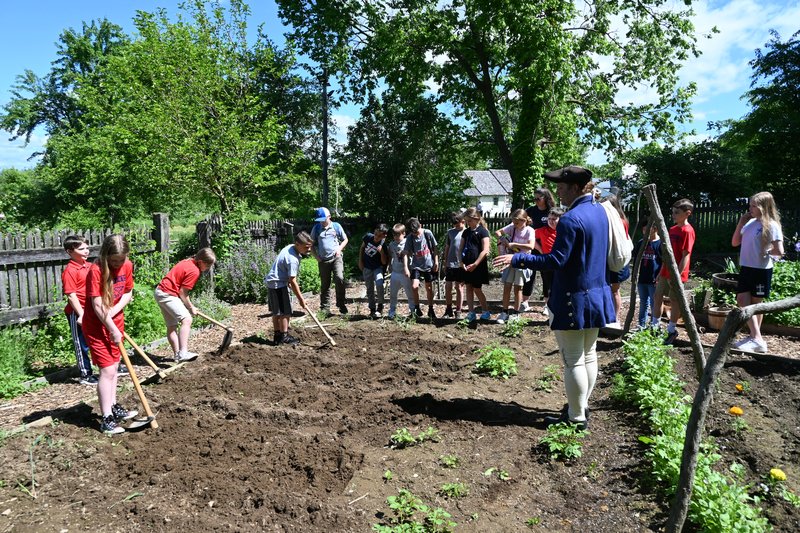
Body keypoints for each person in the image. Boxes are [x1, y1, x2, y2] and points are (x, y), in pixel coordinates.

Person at [494, 166, 614, 430]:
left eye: (560, 187)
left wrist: (518, 257)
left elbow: (556, 260)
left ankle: (576, 417)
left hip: (573, 297)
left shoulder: (571, 219)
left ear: (574, 187)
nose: (556, 192)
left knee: (573, 359)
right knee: (589, 354)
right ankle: (581, 406)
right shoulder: (600, 212)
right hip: (596, 293)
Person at [82, 234, 138, 435]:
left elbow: (128, 293)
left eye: (121, 260)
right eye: (113, 261)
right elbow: (97, 305)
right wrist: (111, 326)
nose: (117, 264)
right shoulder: (95, 271)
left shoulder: (128, 265)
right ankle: (106, 419)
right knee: (106, 370)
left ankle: (113, 406)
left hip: (115, 321)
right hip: (97, 327)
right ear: (105, 256)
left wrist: (113, 314)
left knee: (114, 368)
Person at [731, 192, 784, 353]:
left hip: (761, 270)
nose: (750, 208)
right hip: (746, 267)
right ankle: (756, 338)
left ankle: (756, 338)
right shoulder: (750, 223)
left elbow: (779, 251)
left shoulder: (772, 225)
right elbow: (735, 242)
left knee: (754, 305)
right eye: (750, 205)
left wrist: (768, 252)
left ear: (764, 207)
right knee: (743, 300)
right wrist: (741, 222)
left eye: (754, 205)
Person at [155, 248, 216, 362]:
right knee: (187, 319)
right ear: (201, 262)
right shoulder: (194, 271)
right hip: (168, 294)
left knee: (172, 326)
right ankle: (183, 353)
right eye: (207, 266)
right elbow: (182, 292)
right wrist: (190, 307)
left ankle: (177, 355)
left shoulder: (188, 261)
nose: (208, 268)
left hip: (160, 291)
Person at [653, 198, 696, 345]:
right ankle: (655, 326)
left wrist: (676, 274)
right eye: (673, 212)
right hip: (665, 271)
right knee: (657, 295)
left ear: (687, 213)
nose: (673, 215)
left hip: (677, 273)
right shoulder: (671, 229)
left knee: (674, 300)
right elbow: (667, 253)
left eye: (677, 212)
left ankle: (671, 329)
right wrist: (661, 271)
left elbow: (686, 255)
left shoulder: (688, 231)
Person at [266, 231, 313, 345]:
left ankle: (277, 336)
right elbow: (293, 281)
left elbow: (285, 272)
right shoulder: (293, 259)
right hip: (278, 284)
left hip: (272, 282)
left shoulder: (289, 247)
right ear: (297, 244)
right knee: (285, 312)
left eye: (310, 247)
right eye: (306, 247)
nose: (309, 250)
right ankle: (284, 337)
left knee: (276, 312)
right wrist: (301, 300)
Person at [62, 236, 96, 385]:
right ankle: (85, 374)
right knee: (81, 343)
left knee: (97, 340)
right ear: (70, 251)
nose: (86, 251)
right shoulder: (70, 270)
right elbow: (71, 295)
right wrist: (81, 314)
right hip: (77, 312)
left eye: (87, 248)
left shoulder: (89, 266)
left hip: (92, 310)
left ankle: (107, 368)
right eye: (81, 249)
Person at [495, 209, 535, 324]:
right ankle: (504, 312)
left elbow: (531, 246)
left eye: (517, 222)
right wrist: (502, 238)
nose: (515, 224)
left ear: (524, 221)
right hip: (509, 260)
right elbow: (498, 232)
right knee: (507, 286)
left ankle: (516, 313)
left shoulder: (529, 230)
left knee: (518, 288)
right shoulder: (512, 227)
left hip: (522, 261)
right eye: (513, 221)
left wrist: (515, 244)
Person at [522, 187, 556, 311]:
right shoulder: (531, 210)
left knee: (546, 276)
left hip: (547, 248)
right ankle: (524, 302)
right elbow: (522, 224)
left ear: (546, 198)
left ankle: (547, 304)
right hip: (532, 246)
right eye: (534, 198)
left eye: (538, 198)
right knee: (529, 274)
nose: (535, 201)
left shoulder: (551, 211)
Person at [310, 207, 349, 316]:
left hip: (336, 258)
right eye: (320, 220)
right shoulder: (316, 228)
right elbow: (311, 244)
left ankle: (341, 304)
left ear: (329, 217)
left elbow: (345, 239)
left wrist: (339, 249)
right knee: (325, 285)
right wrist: (316, 257)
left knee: (339, 278)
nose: (322, 222)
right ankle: (325, 308)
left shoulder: (336, 226)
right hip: (323, 261)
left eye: (323, 219)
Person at [460, 207, 492, 322]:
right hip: (467, 265)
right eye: (467, 221)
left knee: (477, 289)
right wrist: (461, 262)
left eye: (470, 221)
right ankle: (471, 312)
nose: (468, 223)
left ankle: (485, 311)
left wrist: (475, 264)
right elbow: (461, 248)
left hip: (478, 266)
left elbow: (485, 250)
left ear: (477, 219)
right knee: (468, 288)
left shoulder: (483, 231)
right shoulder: (466, 232)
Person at [403, 218, 439, 319]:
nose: (416, 235)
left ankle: (431, 309)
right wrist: (406, 267)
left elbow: (435, 248)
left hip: (428, 265)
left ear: (421, 226)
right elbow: (405, 253)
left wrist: (436, 261)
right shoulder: (410, 237)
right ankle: (417, 308)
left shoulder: (427, 233)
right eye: (413, 233)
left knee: (429, 288)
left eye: (417, 232)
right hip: (416, 265)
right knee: (414, 287)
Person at [603, 194, 631, 323]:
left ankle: (615, 318)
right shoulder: (621, 219)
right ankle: (610, 316)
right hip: (613, 258)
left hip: (616, 259)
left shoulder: (618, 221)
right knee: (611, 290)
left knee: (614, 291)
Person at [632, 219, 663, 329]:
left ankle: (655, 325)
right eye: (643, 229)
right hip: (642, 278)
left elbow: (664, 263)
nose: (644, 231)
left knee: (655, 303)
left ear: (655, 229)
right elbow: (635, 259)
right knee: (643, 302)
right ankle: (641, 324)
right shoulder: (641, 243)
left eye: (647, 229)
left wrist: (659, 276)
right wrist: (634, 275)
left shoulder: (660, 244)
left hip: (654, 279)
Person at [534, 207, 565, 313]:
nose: (551, 221)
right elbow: (529, 236)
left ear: (560, 219)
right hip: (547, 262)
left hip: (561, 263)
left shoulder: (564, 231)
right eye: (549, 219)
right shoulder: (542, 230)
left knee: (560, 284)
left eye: (554, 219)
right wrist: (539, 249)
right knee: (547, 284)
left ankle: (560, 305)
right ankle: (547, 306)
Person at [358, 224, 388, 319]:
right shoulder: (368, 237)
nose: (376, 237)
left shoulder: (383, 245)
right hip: (367, 267)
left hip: (377, 267)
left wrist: (381, 252)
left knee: (379, 283)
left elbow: (384, 262)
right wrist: (360, 261)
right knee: (369, 288)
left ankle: (380, 306)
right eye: (375, 234)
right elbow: (362, 248)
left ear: (384, 236)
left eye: (379, 236)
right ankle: (372, 309)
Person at [387, 223, 414, 319]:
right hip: (395, 271)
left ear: (404, 233)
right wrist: (389, 265)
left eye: (398, 235)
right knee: (393, 293)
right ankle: (392, 310)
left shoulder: (408, 242)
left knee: (409, 293)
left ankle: (412, 311)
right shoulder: (391, 244)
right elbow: (390, 255)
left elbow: (411, 254)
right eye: (394, 235)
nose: (396, 237)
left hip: (405, 272)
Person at [442, 212, 466, 319]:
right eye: (454, 225)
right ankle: (448, 309)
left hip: (461, 264)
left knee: (459, 287)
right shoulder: (450, 232)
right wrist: (445, 261)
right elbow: (447, 247)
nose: (455, 226)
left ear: (463, 222)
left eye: (457, 224)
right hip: (450, 263)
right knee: (448, 286)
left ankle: (458, 310)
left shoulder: (466, 232)